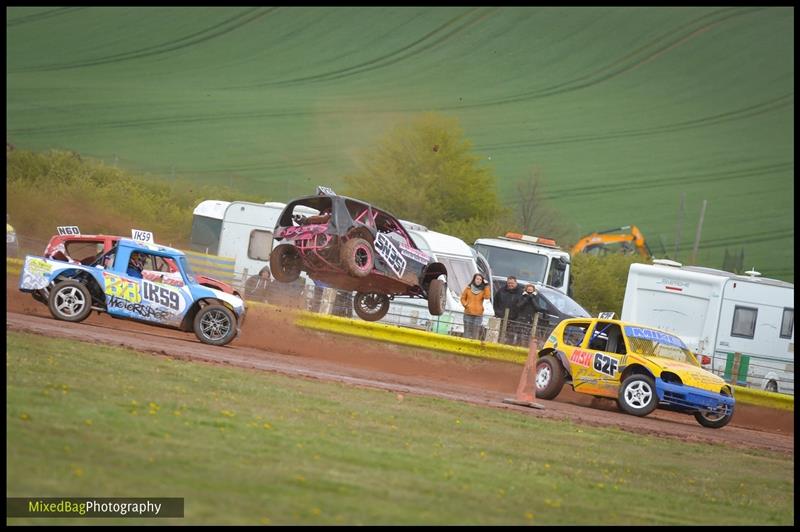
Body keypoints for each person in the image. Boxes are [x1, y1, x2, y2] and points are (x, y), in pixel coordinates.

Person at [460, 273, 490, 340]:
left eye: (480, 279)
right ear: (474, 279)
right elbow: (462, 298)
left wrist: (487, 285)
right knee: (467, 332)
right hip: (468, 313)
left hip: (478, 315)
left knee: (475, 333)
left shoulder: (483, 290)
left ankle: (472, 348)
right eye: (477, 279)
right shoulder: (468, 288)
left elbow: (487, 297)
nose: (478, 280)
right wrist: (465, 305)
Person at [493, 276, 523, 344]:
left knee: (510, 337)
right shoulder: (501, 291)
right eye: (509, 283)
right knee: (498, 335)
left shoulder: (521, 293)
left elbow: (522, 306)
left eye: (512, 283)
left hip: (514, 319)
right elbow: (495, 302)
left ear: (516, 283)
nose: (510, 285)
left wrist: (517, 316)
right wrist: (498, 313)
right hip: (501, 317)